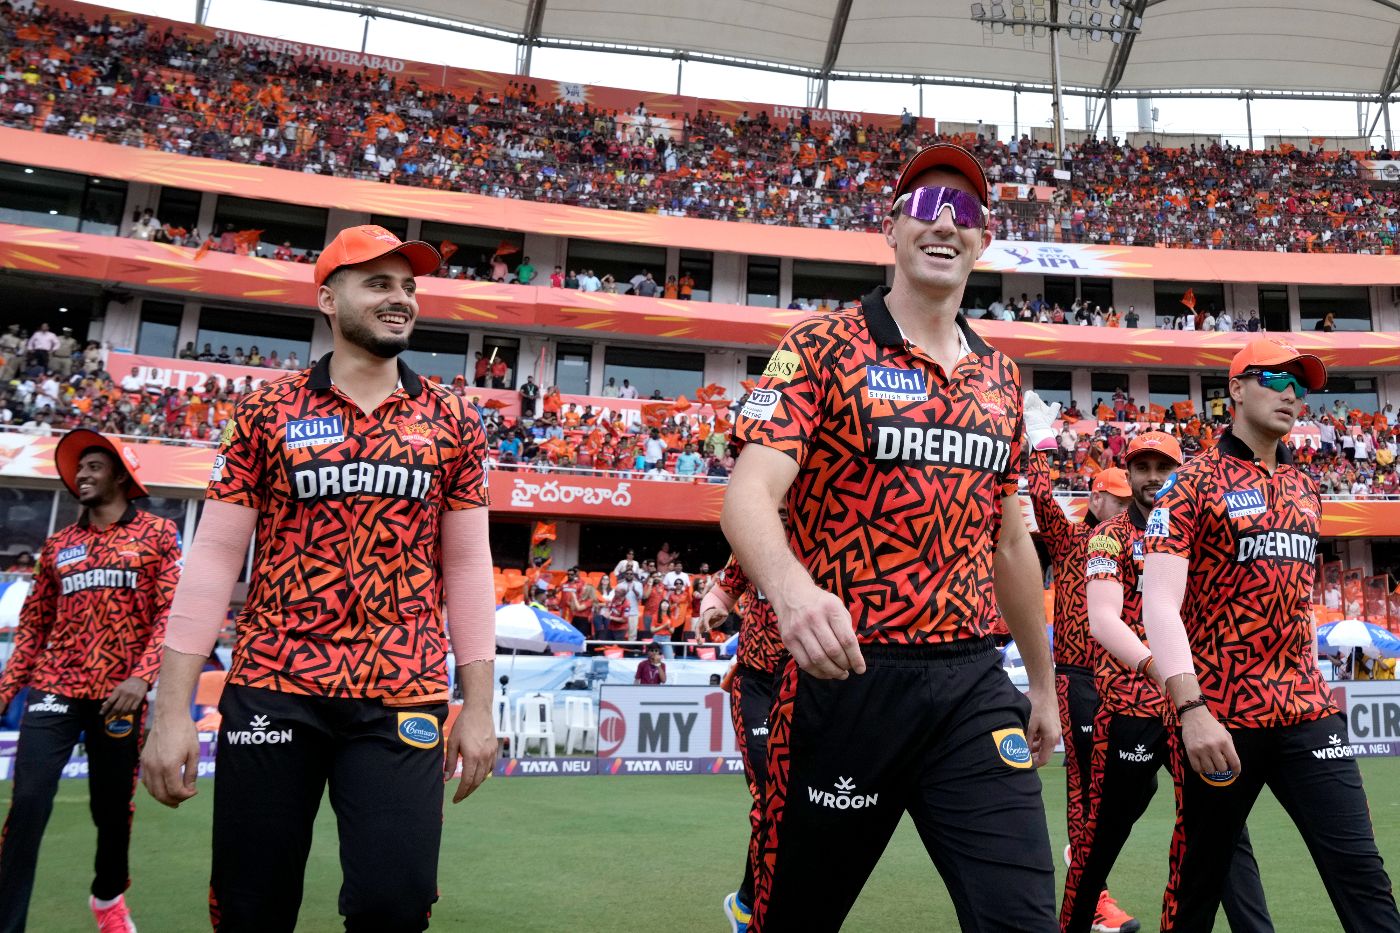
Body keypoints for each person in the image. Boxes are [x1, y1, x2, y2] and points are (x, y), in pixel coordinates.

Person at [722, 143, 1059, 931]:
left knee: (1024, 919)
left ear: (985, 239)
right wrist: (794, 590)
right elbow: (747, 493)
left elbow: (1011, 545)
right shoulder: (822, 346)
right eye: (926, 206)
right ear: (891, 228)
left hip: (973, 683)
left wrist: (1039, 681)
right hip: (845, 679)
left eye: (966, 211)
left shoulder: (1003, 380)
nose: (945, 222)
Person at [139, 225, 499, 931]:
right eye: (379, 283)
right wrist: (170, 708)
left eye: (408, 286)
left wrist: (480, 705)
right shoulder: (265, 410)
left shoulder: (453, 418)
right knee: (250, 905)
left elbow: (466, 566)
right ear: (329, 299)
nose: (401, 299)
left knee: (393, 905)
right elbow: (212, 559)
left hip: (404, 689)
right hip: (276, 682)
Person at [1143, 337, 1400, 932]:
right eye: (1275, 379)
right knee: (1200, 884)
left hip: (1306, 710)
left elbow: (1286, 602)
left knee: (1360, 870)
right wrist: (1190, 708)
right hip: (1220, 717)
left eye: (1300, 385)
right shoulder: (1189, 483)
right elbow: (1159, 603)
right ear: (1235, 388)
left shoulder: (1306, 489)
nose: (1292, 394)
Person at [1062, 431, 1273, 932]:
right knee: (1103, 837)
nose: (1154, 477)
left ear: (1182, 472)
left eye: (1165, 467)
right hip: (1135, 706)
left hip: (1197, 708)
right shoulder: (1109, 534)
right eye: (1143, 468)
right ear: (1130, 474)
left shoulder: (1200, 528)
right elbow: (1104, 622)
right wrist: (1165, 672)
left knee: (1224, 834)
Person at [0, 430, 181, 933]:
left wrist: (141, 677)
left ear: (121, 476)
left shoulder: (159, 535)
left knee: (110, 808)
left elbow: (169, 613)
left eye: (94, 466)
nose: (82, 474)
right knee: (30, 801)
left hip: (118, 699)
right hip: (54, 688)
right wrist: (4, 692)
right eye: (79, 468)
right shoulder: (58, 545)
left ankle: (107, 899)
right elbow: (34, 626)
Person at [1021, 392, 1139, 933]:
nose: (1125, 504)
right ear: (1096, 501)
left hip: (1124, 683)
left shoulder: (1142, 544)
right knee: (1087, 789)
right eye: (1115, 498)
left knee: (1115, 794)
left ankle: (1089, 893)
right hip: (1077, 681)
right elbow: (1041, 498)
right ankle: (1089, 903)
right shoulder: (1071, 542)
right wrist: (1040, 444)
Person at [699, 535, 787, 933]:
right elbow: (724, 589)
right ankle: (749, 909)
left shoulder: (828, 539)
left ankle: (752, 900)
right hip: (755, 683)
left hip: (811, 684)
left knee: (800, 803)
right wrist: (712, 610)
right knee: (769, 794)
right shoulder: (753, 540)